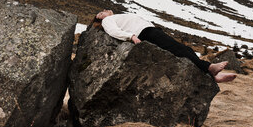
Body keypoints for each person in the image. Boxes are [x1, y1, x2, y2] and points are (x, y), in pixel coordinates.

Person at [93, 9, 236, 83]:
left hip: (149, 31)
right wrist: (131, 37)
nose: (105, 11)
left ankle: (211, 75)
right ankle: (210, 68)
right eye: (101, 12)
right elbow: (113, 31)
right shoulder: (108, 20)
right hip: (145, 33)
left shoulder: (115, 17)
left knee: (185, 50)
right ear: (101, 18)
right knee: (180, 50)